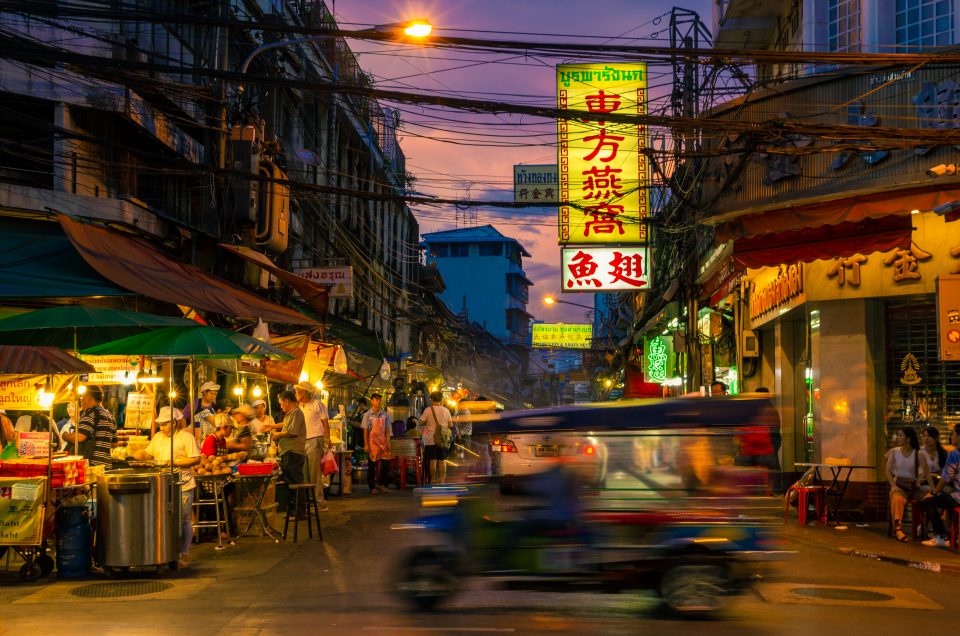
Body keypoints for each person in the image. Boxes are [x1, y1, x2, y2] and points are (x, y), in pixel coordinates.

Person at [133, 406, 201, 569]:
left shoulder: (186, 437)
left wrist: (174, 462)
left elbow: (195, 459)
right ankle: (164, 553)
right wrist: (138, 454)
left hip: (183, 484)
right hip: (162, 485)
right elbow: (149, 454)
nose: (161, 427)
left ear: (174, 423)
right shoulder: (157, 437)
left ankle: (184, 554)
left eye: (165, 424)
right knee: (162, 520)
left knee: (184, 519)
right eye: (161, 424)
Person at [921, 423, 960, 548]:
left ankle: (941, 536)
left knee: (929, 501)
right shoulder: (921, 452)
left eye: (953, 434)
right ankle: (951, 532)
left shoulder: (954, 454)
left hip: (958, 496)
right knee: (945, 497)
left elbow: (946, 477)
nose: (951, 437)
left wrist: (933, 493)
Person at [886, 426, 927, 542]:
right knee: (897, 499)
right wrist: (893, 486)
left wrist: (919, 479)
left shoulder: (918, 454)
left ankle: (926, 528)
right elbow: (887, 470)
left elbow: (923, 472)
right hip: (899, 486)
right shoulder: (894, 452)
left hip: (913, 487)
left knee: (930, 498)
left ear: (908, 439)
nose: (897, 437)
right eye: (897, 435)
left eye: (900, 435)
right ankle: (898, 529)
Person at [296, 381, 330, 509]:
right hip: (302, 442)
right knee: (304, 474)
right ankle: (309, 502)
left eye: (297, 392)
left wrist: (327, 440)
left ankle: (320, 502)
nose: (296, 394)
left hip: (315, 440)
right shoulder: (299, 407)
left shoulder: (317, 404)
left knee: (315, 473)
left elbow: (325, 424)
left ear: (303, 392)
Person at [63, 386, 117, 466]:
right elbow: (114, 444)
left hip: (92, 464)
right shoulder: (110, 416)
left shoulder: (91, 414)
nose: (81, 401)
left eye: (82, 397)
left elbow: (80, 437)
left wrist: (66, 435)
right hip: (106, 464)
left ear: (89, 397)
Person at [273, 390, 307, 509]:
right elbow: (286, 425)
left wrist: (278, 435)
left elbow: (292, 431)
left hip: (293, 452)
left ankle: (300, 511)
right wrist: (272, 427)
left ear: (286, 402)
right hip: (288, 452)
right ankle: (293, 510)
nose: (281, 407)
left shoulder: (297, 413)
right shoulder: (291, 414)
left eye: (281, 404)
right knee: (290, 482)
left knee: (295, 482)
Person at [361, 393, 391, 494]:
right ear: (371, 401)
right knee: (372, 465)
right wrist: (366, 444)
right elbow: (365, 431)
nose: (378, 401)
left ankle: (381, 484)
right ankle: (372, 487)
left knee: (386, 464)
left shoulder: (384, 414)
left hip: (383, 441)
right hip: (372, 442)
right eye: (376, 399)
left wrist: (388, 442)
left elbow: (387, 429)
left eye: (379, 399)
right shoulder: (367, 415)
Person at [421, 391, 453, 485]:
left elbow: (421, 422)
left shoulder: (427, 410)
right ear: (441, 399)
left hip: (431, 439)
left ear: (431, 399)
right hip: (442, 439)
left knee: (432, 460)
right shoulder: (446, 410)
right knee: (442, 460)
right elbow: (450, 424)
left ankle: (433, 480)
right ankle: (441, 481)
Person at [920, 426, 947, 491]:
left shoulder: (943, 453)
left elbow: (946, 473)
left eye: (929, 436)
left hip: (939, 483)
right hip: (924, 482)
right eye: (924, 436)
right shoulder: (919, 452)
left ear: (936, 438)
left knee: (947, 490)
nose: (926, 438)